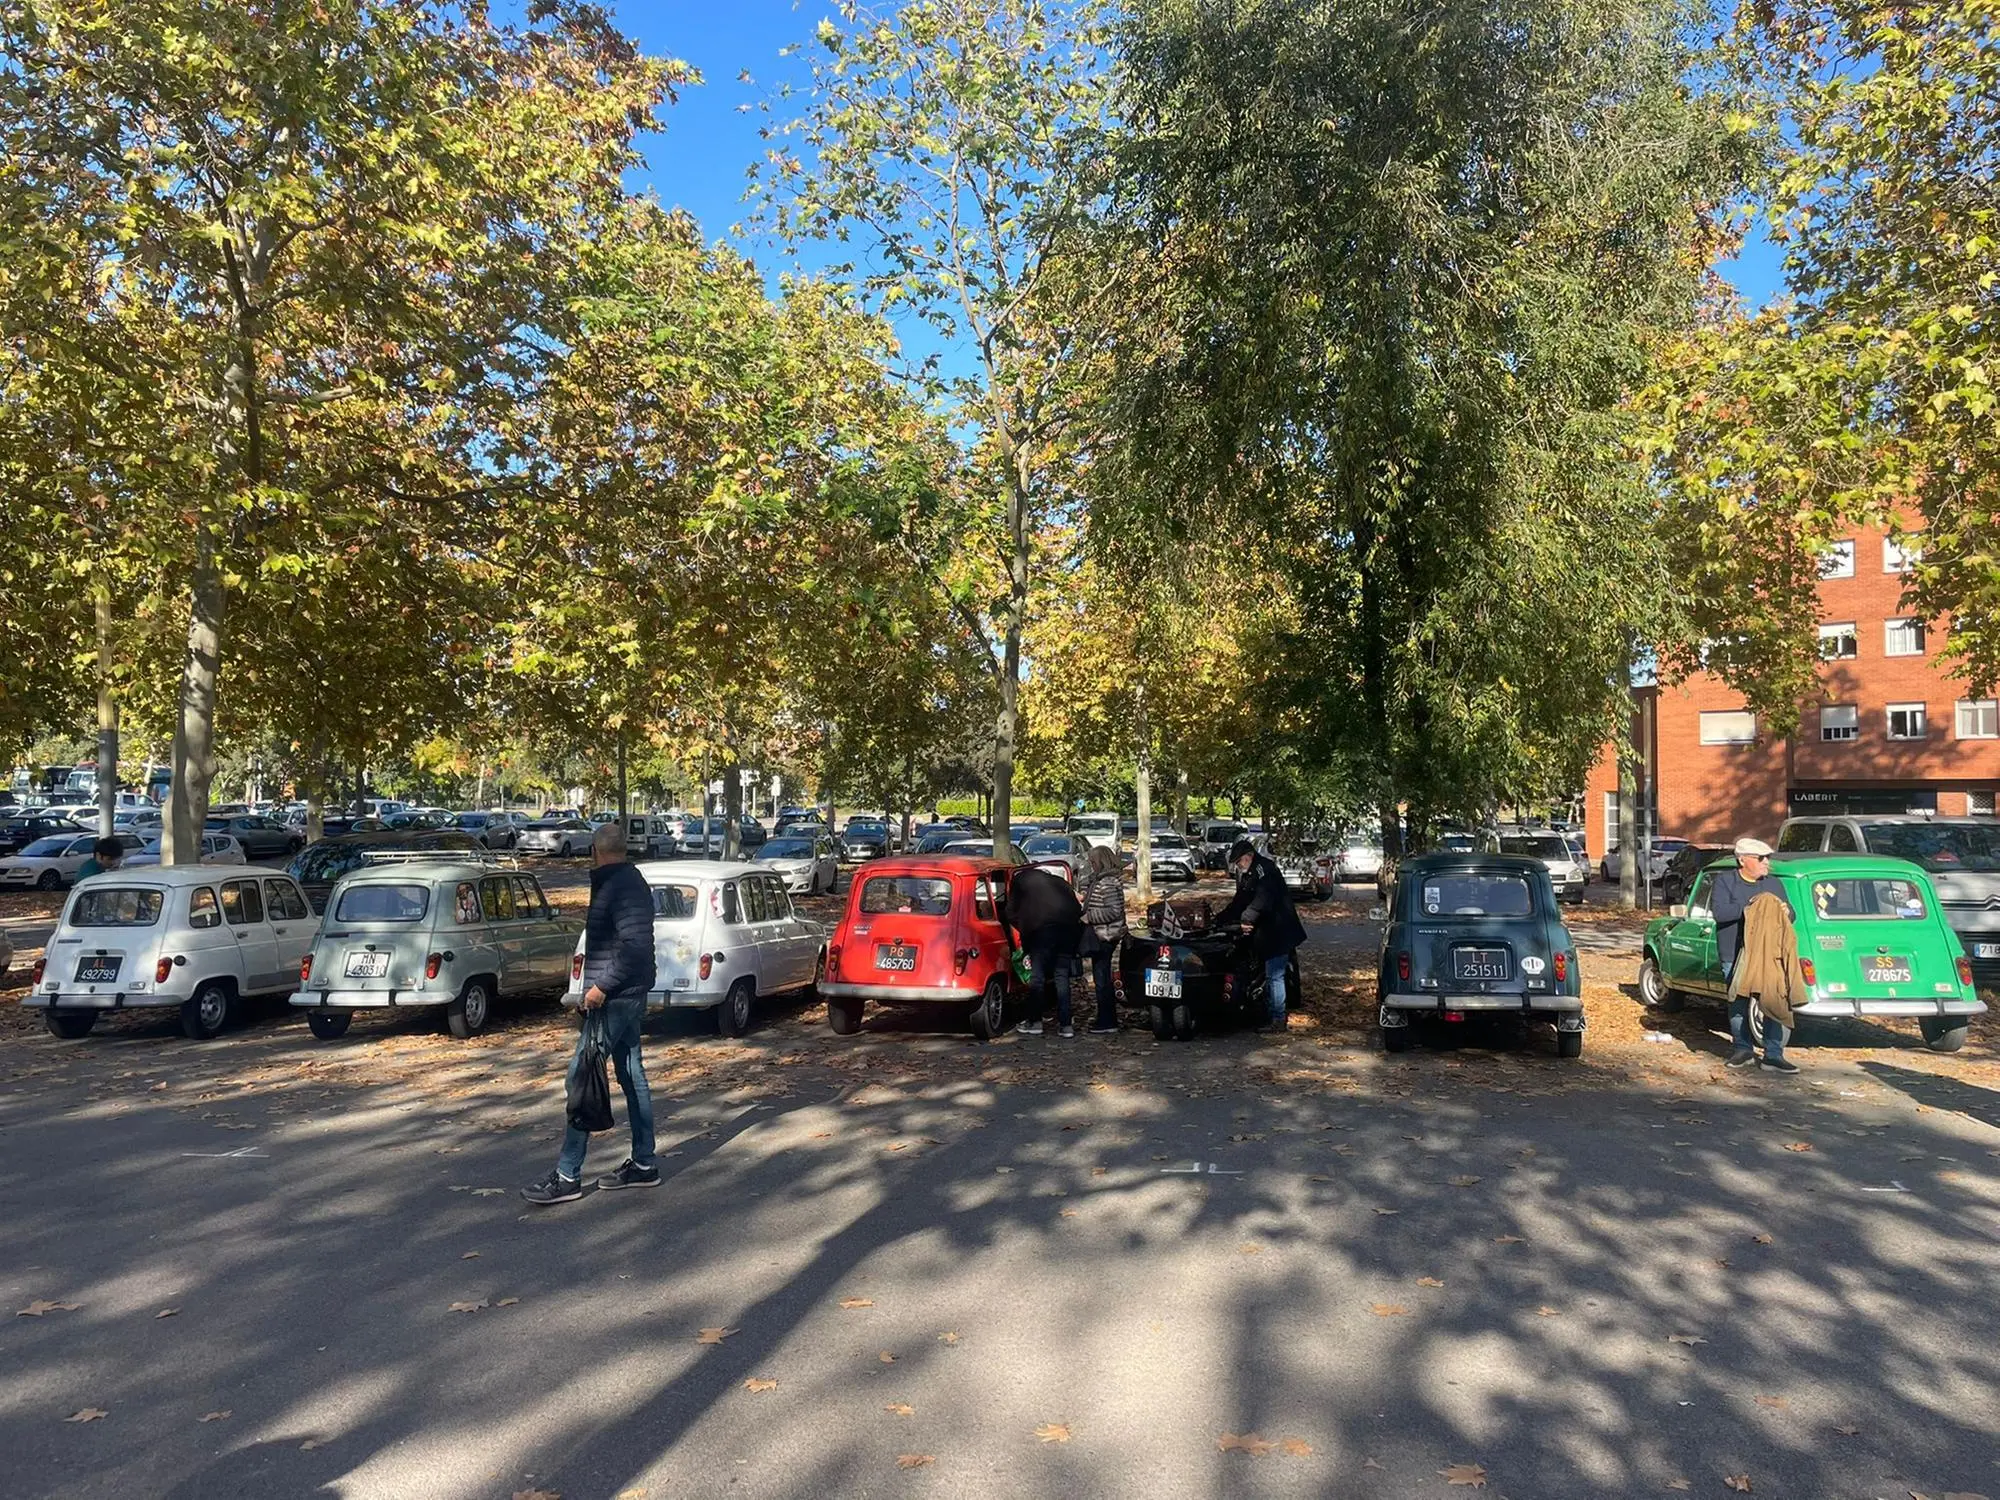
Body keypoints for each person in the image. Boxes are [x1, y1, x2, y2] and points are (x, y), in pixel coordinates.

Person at [523, 823, 659, 1205]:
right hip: (625, 994)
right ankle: (644, 1164)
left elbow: (633, 947)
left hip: (617, 997)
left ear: (596, 851)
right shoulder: (619, 880)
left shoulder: (623, 885)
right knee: (632, 1076)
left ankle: (568, 1175)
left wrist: (599, 988)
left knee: (580, 1077)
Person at [1707, 835, 1797, 1073]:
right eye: (1761, 858)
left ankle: (1773, 1054)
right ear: (1743, 860)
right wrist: (1755, 905)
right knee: (1739, 1001)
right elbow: (1720, 913)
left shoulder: (1774, 884)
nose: (1767, 862)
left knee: (1773, 999)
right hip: (1735, 953)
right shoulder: (1725, 882)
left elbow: (1792, 916)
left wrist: (1786, 912)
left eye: (1768, 857)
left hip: (1769, 954)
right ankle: (1742, 1049)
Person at [1215, 838, 1308, 1032]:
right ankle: (1266, 1011)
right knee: (1265, 972)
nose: (1238, 866)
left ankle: (1278, 1019)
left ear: (1248, 857)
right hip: (1267, 932)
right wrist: (1220, 918)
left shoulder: (1264, 870)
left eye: (1239, 862)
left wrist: (1247, 919)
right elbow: (1241, 899)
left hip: (1278, 932)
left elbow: (1263, 899)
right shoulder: (1250, 873)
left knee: (1275, 975)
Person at [1005, 862, 1085, 1038]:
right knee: (1061, 976)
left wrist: (1023, 930)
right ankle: (1065, 1025)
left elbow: (1010, 912)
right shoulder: (1060, 882)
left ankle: (1035, 1022)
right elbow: (1076, 909)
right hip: (1068, 930)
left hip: (1042, 931)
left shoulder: (1020, 881)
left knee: (1038, 977)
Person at [1077, 845, 1126, 1034]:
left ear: (1101, 861)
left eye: (1093, 861)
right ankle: (1106, 1018)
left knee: (1102, 978)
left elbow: (1114, 911)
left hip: (1106, 935)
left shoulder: (1108, 883)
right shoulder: (1101, 880)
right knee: (1101, 977)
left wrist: (1090, 916)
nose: (1091, 864)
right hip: (1104, 933)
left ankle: (1107, 1021)